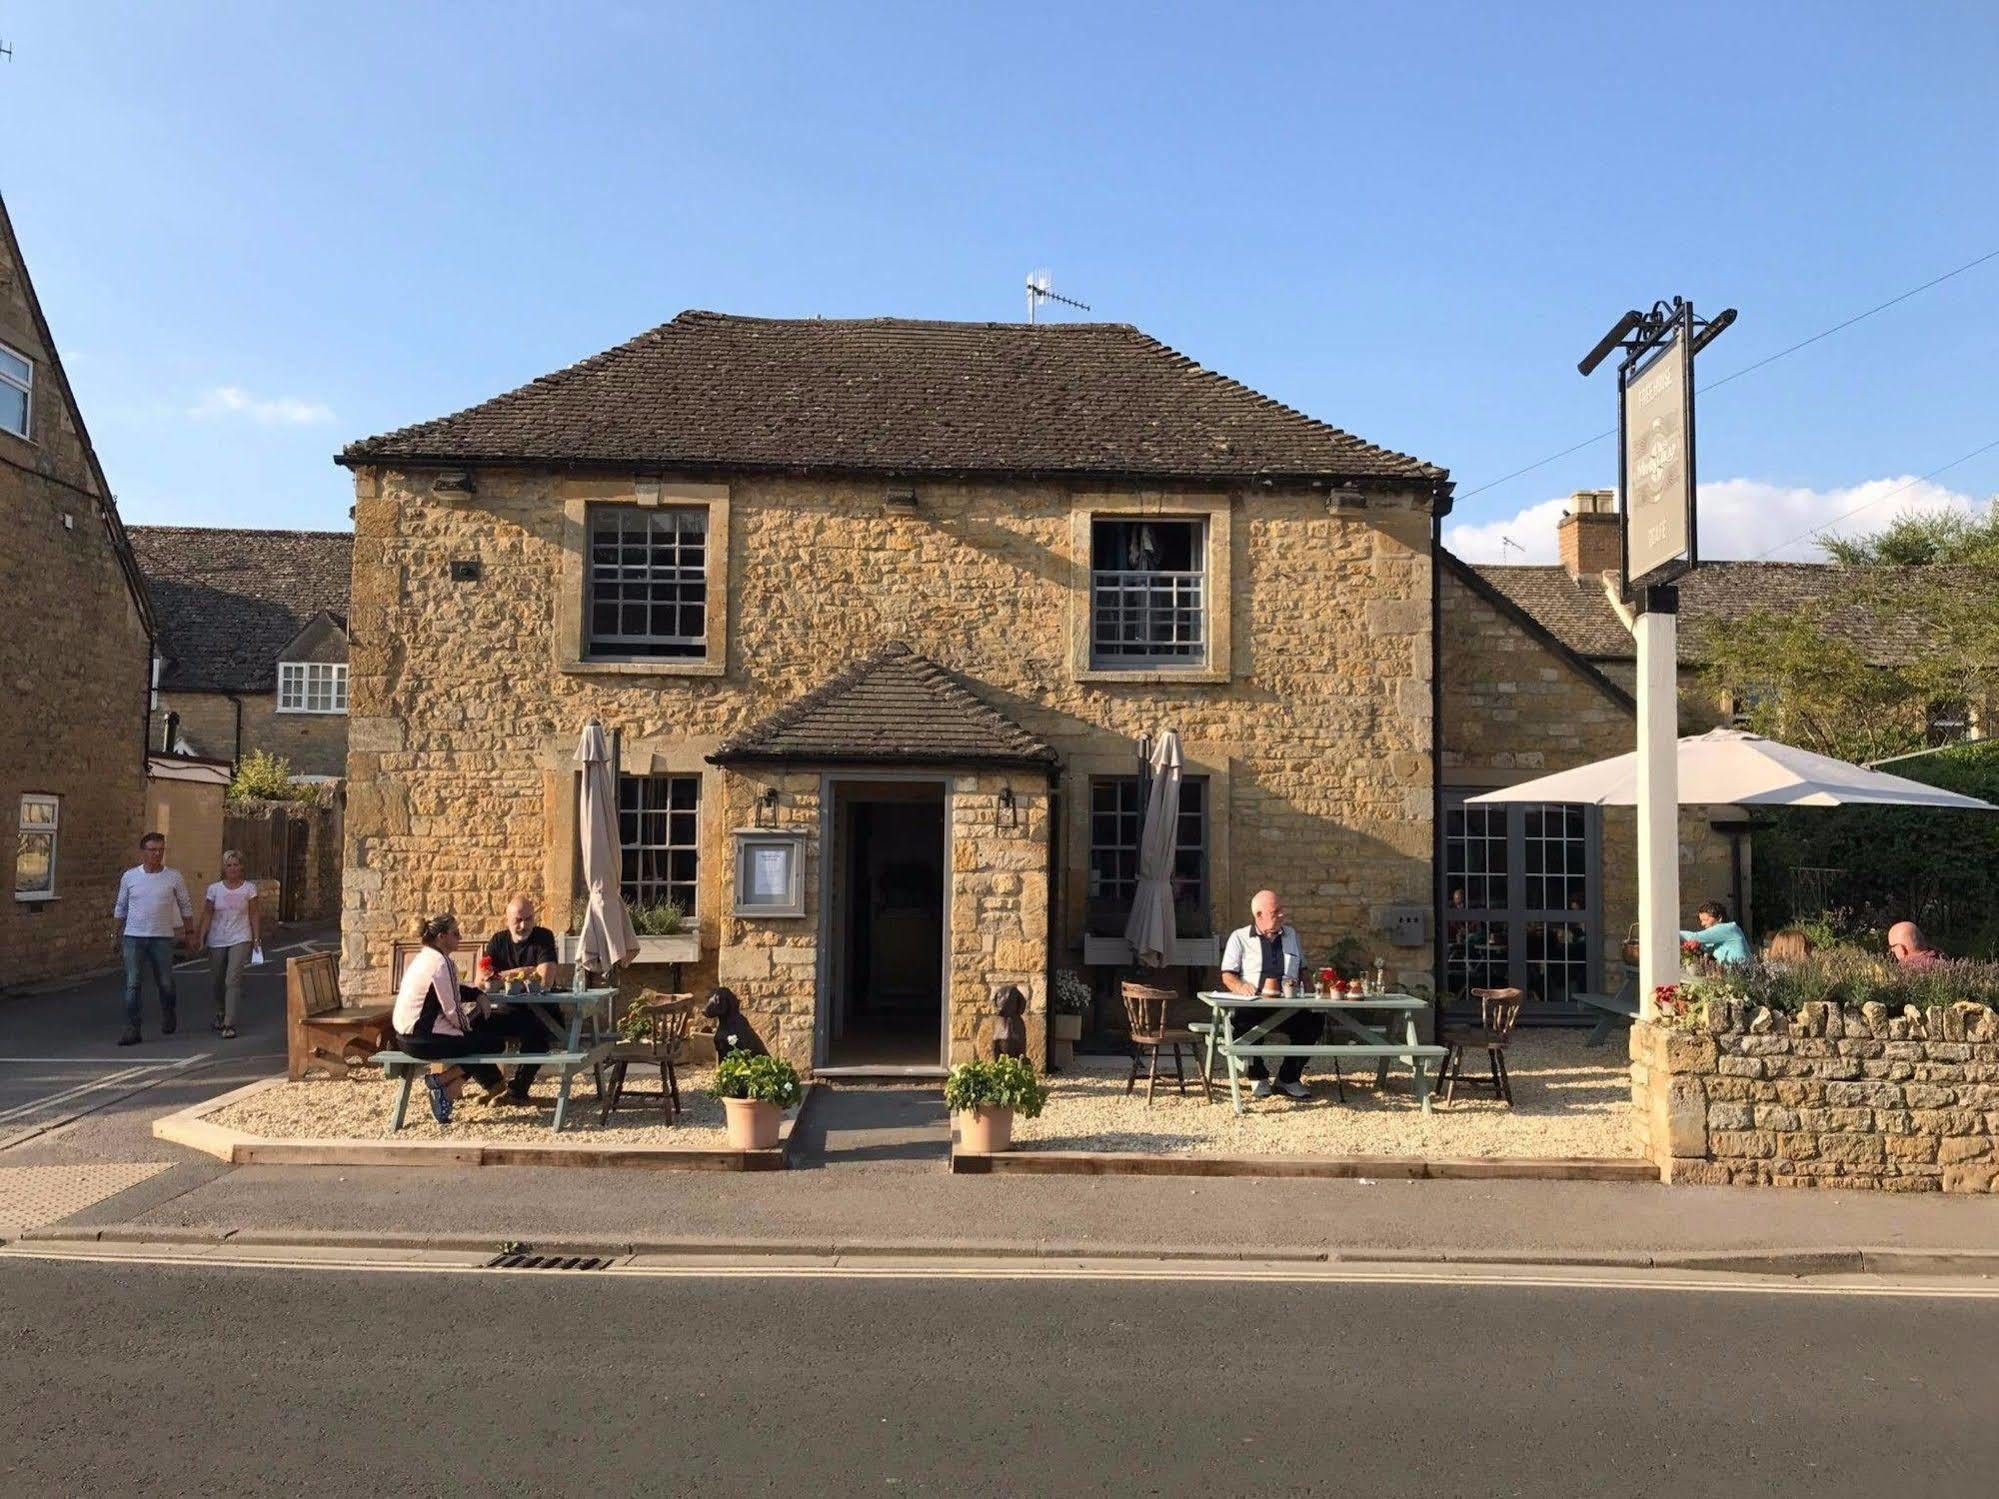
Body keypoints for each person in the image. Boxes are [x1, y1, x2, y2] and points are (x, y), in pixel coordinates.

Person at [391, 912, 514, 1121]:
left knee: (477, 1039)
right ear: (441, 936)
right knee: (491, 1043)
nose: (461, 937)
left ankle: (471, 1086)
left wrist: (477, 995)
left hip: (403, 1038)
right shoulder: (441, 963)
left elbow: (450, 990)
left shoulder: (424, 957)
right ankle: (443, 1084)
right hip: (423, 1039)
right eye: (455, 933)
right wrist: (470, 1026)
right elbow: (452, 1010)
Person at [1219, 889, 1313, 1100]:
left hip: (1289, 1004)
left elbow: (1303, 970)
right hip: (1254, 1004)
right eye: (1276, 911)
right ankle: (1257, 1076)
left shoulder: (1292, 935)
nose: (1282, 914)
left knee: (1314, 1021)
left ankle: (1289, 1077)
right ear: (1259, 915)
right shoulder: (1240, 937)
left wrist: (1313, 994)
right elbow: (1227, 975)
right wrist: (1241, 987)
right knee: (1242, 1024)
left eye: (1282, 910)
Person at [112, 832, 193, 1046]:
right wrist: (115, 934)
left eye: (160, 850)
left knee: (165, 982)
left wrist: (189, 932)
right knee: (132, 983)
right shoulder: (130, 877)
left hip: (161, 937)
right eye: (152, 850)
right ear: (143, 852)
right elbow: (121, 906)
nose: (157, 854)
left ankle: (168, 1012)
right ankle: (132, 1028)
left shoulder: (173, 876)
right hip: (133, 936)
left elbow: (185, 904)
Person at [478, 894, 559, 1104]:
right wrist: (525, 970)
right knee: (473, 1025)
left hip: (542, 1012)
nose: (524, 925)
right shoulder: (498, 941)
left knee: (538, 1032)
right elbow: (480, 980)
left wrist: (500, 975)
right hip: (509, 1011)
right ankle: (492, 1082)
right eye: (518, 920)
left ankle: (517, 1091)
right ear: (507, 920)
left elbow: (545, 979)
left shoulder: (543, 937)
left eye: (529, 919)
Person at [195, 851, 261, 1040]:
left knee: (232, 979)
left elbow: (254, 913)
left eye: (235, 865)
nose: (232, 868)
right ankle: (220, 1011)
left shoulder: (249, 889)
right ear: (224, 868)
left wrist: (256, 938)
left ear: (241, 867)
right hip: (217, 938)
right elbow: (207, 914)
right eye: (228, 865)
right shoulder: (214, 889)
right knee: (217, 980)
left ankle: (229, 1023)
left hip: (240, 937)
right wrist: (202, 936)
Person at [1679, 900, 1751, 966]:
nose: (1702, 924)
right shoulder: (1718, 936)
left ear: (1719, 918)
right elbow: (1705, 947)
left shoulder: (1727, 928)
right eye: (1701, 921)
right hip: (1736, 974)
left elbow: (1695, 937)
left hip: (1744, 975)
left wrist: (1673, 932)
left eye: (1706, 920)